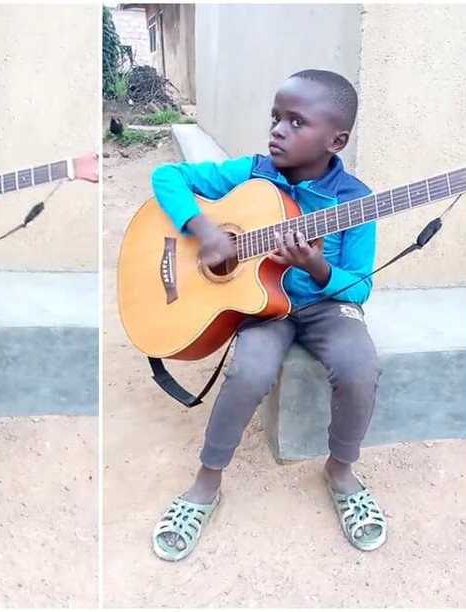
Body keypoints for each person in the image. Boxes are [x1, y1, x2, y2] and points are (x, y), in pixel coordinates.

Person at [149, 69, 385, 560]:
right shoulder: (253, 173)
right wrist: (205, 231)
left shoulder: (354, 200)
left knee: (360, 366)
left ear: (336, 140)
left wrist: (317, 267)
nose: (278, 130)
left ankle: (340, 470)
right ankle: (207, 481)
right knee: (249, 371)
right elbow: (167, 176)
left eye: (297, 122)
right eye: (276, 117)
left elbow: (360, 285)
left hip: (325, 306)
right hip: (262, 307)